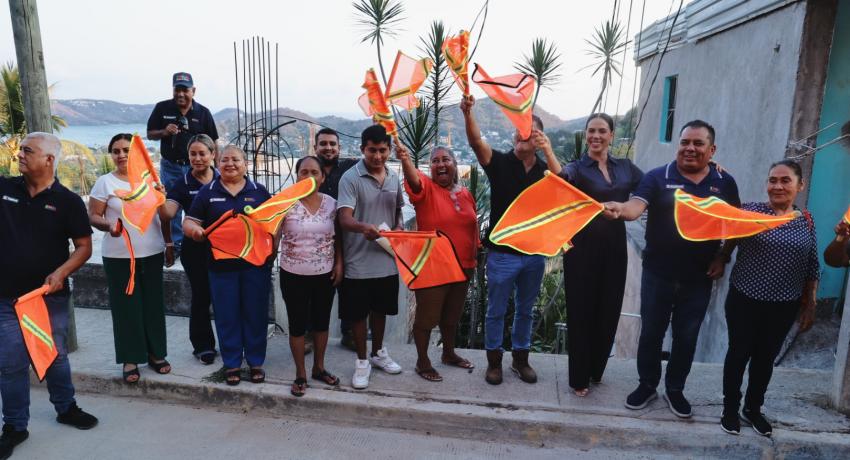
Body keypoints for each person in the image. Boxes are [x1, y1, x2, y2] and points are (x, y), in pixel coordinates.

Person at [604, 120, 740, 418]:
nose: (690, 148)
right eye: (684, 142)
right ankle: (647, 385)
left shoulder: (724, 183)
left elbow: (734, 223)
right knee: (651, 333)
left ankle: (675, 389)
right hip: (658, 273)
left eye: (698, 143)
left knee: (686, 337)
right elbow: (635, 206)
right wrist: (620, 209)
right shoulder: (657, 177)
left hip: (699, 278)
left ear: (712, 149)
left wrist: (723, 256)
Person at [0, 132, 98, 460]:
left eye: (27, 151)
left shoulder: (68, 202)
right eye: (21, 150)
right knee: (10, 362)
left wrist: (61, 273)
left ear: (49, 160)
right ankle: (15, 426)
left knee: (54, 355)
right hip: (6, 298)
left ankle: (66, 408)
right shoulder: (4, 189)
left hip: (46, 297)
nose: (20, 155)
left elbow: (84, 247)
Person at [708, 160, 818, 437]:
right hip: (745, 298)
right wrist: (722, 257)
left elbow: (812, 264)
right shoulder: (750, 211)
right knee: (738, 354)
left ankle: (753, 408)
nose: (777, 186)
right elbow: (732, 237)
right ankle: (730, 409)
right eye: (772, 180)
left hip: (784, 304)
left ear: (800, 185)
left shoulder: (806, 220)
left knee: (765, 359)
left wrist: (810, 302)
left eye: (785, 180)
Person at [539, 113, 643, 397]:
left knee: (609, 310)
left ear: (611, 135)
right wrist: (547, 150)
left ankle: (596, 371)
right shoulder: (578, 167)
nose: (596, 136)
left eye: (602, 131)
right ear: (586, 135)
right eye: (591, 131)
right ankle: (579, 379)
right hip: (582, 249)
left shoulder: (625, 167)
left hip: (615, 248)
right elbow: (561, 179)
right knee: (581, 312)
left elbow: (650, 187)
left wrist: (709, 166)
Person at [460, 94, 547, 385]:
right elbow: (476, 142)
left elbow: (566, 189)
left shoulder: (546, 171)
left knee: (525, 310)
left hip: (534, 254)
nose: (521, 134)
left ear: (539, 139)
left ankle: (520, 360)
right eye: (518, 129)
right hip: (502, 254)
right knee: (496, 311)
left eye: (529, 131)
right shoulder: (500, 162)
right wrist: (468, 113)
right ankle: (494, 362)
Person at [88, 134, 173, 384]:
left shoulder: (151, 179)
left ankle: (156, 354)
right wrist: (109, 225)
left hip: (152, 252)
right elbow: (93, 216)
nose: (121, 155)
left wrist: (169, 243)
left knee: (153, 306)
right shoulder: (105, 182)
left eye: (126, 150)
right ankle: (130, 358)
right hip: (119, 256)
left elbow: (163, 217)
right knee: (126, 308)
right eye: (116, 151)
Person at [184, 145, 272, 386]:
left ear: (245, 164)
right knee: (226, 315)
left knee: (256, 313)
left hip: (255, 265)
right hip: (220, 267)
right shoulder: (207, 192)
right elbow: (190, 221)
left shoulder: (259, 191)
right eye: (225, 160)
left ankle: (255, 362)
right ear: (218, 163)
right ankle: (232, 363)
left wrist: (271, 252)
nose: (230, 164)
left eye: (235, 159)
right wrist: (195, 231)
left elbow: (274, 223)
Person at [397, 144, 478, 382]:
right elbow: (413, 181)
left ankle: (448, 354)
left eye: (445, 160)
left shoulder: (466, 194)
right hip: (434, 267)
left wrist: (476, 254)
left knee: (451, 317)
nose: (440, 164)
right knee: (427, 318)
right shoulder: (426, 189)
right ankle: (422, 362)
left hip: (464, 266)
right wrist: (405, 159)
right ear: (430, 168)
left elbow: (471, 227)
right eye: (435, 161)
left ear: (455, 164)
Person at [337, 124, 405, 389]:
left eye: (383, 150)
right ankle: (362, 361)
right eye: (372, 150)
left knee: (380, 311)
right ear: (362, 149)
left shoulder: (393, 176)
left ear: (389, 150)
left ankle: (378, 353)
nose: (378, 156)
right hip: (358, 261)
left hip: (386, 259)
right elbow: (344, 218)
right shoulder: (350, 178)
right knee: (358, 315)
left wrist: (398, 228)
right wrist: (364, 227)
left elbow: (398, 210)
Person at [277, 156, 344, 396]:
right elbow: (272, 236)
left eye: (314, 172)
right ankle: (300, 374)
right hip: (292, 274)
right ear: (297, 176)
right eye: (303, 172)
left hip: (324, 274)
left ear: (323, 177)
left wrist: (339, 264)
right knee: (297, 325)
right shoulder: (284, 202)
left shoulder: (332, 204)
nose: (309, 177)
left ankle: (319, 368)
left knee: (321, 322)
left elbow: (339, 238)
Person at [161, 134, 219, 364]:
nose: (197, 158)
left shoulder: (224, 178)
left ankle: (231, 343)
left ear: (212, 154)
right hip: (195, 251)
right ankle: (203, 346)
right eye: (193, 154)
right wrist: (158, 197)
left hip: (225, 249)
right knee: (201, 297)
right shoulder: (182, 183)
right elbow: (168, 213)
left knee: (225, 297)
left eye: (202, 153)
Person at [147, 72, 219, 253]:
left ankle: (205, 238)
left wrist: (218, 170)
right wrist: (164, 132)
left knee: (200, 202)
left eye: (185, 90)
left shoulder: (203, 112)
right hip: (171, 165)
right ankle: (176, 244)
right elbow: (150, 134)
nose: (180, 94)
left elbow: (214, 142)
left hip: (198, 167)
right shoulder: (162, 108)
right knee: (172, 204)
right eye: (177, 89)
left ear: (193, 91)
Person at [314, 127, 358, 351]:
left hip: (347, 238)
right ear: (315, 147)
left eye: (332, 144)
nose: (328, 147)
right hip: (316, 240)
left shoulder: (350, 168)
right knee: (316, 291)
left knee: (349, 289)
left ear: (339, 148)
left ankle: (348, 332)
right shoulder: (310, 169)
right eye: (323, 143)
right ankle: (311, 333)